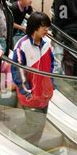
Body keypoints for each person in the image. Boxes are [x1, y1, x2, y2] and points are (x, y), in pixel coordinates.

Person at [11, 12, 55, 147]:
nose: (47, 31)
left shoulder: (47, 43)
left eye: (48, 28)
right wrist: (27, 91)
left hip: (44, 94)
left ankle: (30, 148)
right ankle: (14, 142)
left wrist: (51, 84)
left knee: (39, 126)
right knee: (35, 124)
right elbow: (18, 70)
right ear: (35, 27)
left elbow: (52, 65)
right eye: (44, 28)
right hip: (30, 94)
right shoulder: (22, 45)